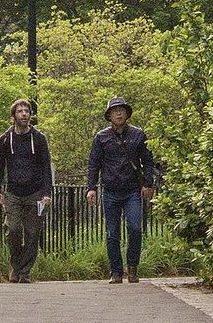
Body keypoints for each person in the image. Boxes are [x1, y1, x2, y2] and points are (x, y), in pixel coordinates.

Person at [86, 97, 155, 284]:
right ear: (109, 115)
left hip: (132, 190)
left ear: (127, 114)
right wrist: (91, 188)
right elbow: (94, 164)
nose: (118, 113)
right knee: (112, 233)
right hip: (110, 191)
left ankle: (133, 268)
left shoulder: (138, 135)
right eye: (114, 111)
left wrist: (148, 184)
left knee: (135, 228)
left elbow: (148, 161)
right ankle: (116, 271)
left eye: (121, 110)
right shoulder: (101, 137)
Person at [0, 98, 53, 283]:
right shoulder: (5, 139)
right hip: (13, 193)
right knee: (13, 230)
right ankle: (16, 266)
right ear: (13, 116)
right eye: (20, 111)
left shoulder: (39, 138)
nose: (24, 114)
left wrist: (46, 193)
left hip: (35, 193)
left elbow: (46, 167)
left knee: (33, 233)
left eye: (27, 111)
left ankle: (25, 272)